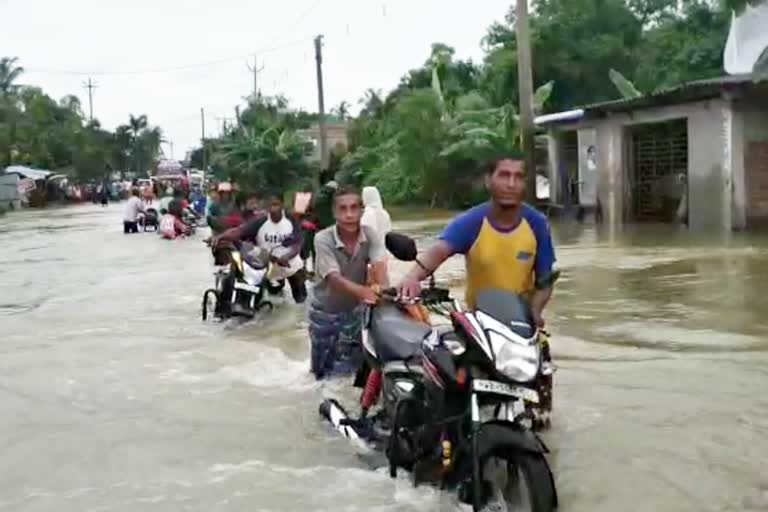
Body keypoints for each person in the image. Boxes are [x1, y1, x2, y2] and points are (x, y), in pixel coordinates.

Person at [397, 157, 558, 328]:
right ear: (488, 181)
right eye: (504, 175)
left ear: (525, 183)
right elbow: (439, 251)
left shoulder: (537, 224)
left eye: (518, 177)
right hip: (481, 325)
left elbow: (545, 281)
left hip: (522, 324)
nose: (511, 184)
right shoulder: (472, 222)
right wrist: (411, 278)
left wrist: (535, 311)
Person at [308, 186, 389, 379]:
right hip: (325, 312)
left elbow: (380, 267)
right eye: (343, 209)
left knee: (351, 368)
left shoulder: (370, 234)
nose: (349, 215)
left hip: (355, 310)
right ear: (335, 213)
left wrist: (384, 290)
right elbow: (333, 278)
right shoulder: (322, 239)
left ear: (362, 210)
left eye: (354, 208)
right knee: (321, 373)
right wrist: (366, 292)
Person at [212, 192, 307, 304]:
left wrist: (287, 256)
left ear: (282, 205)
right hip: (267, 263)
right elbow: (239, 231)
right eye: (270, 205)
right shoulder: (260, 221)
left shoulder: (291, 220)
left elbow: (298, 244)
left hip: (290, 263)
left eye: (276, 205)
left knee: (301, 300)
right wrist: (220, 237)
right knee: (257, 293)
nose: (273, 209)